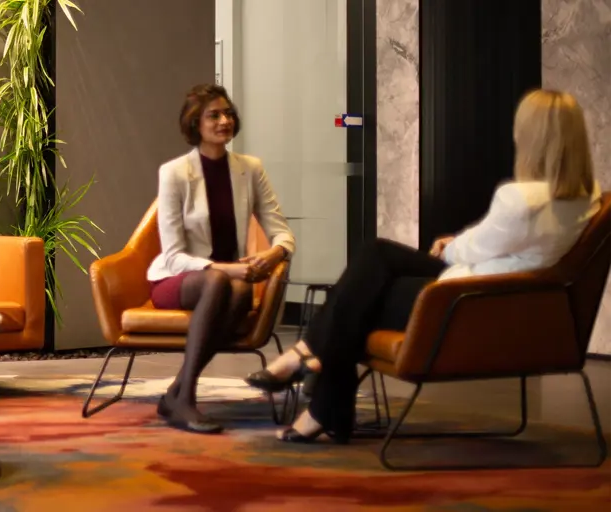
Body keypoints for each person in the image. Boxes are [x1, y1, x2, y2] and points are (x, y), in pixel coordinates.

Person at [246, 88, 602, 443]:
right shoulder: (588, 198)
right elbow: (504, 244)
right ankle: (317, 376)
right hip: (507, 297)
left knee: (367, 292)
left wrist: (450, 246)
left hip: (466, 302)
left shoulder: (520, 199)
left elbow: (473, 250)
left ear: (532, 137)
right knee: (377, 256)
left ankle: (316, 370)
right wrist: (458, 246)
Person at [149, 84, 296, 434]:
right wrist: (231, 268)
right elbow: (172, 256)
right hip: (175, 279)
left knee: (240, 291)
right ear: (195, 123)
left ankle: (176, 392)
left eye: (228, 113)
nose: (224, 120)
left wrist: (273, 254)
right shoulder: (174, 173)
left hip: (229, 282)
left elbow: (283, 233)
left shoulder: (250, 169)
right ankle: (186, 399)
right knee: (221, 281)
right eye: (214, 115)